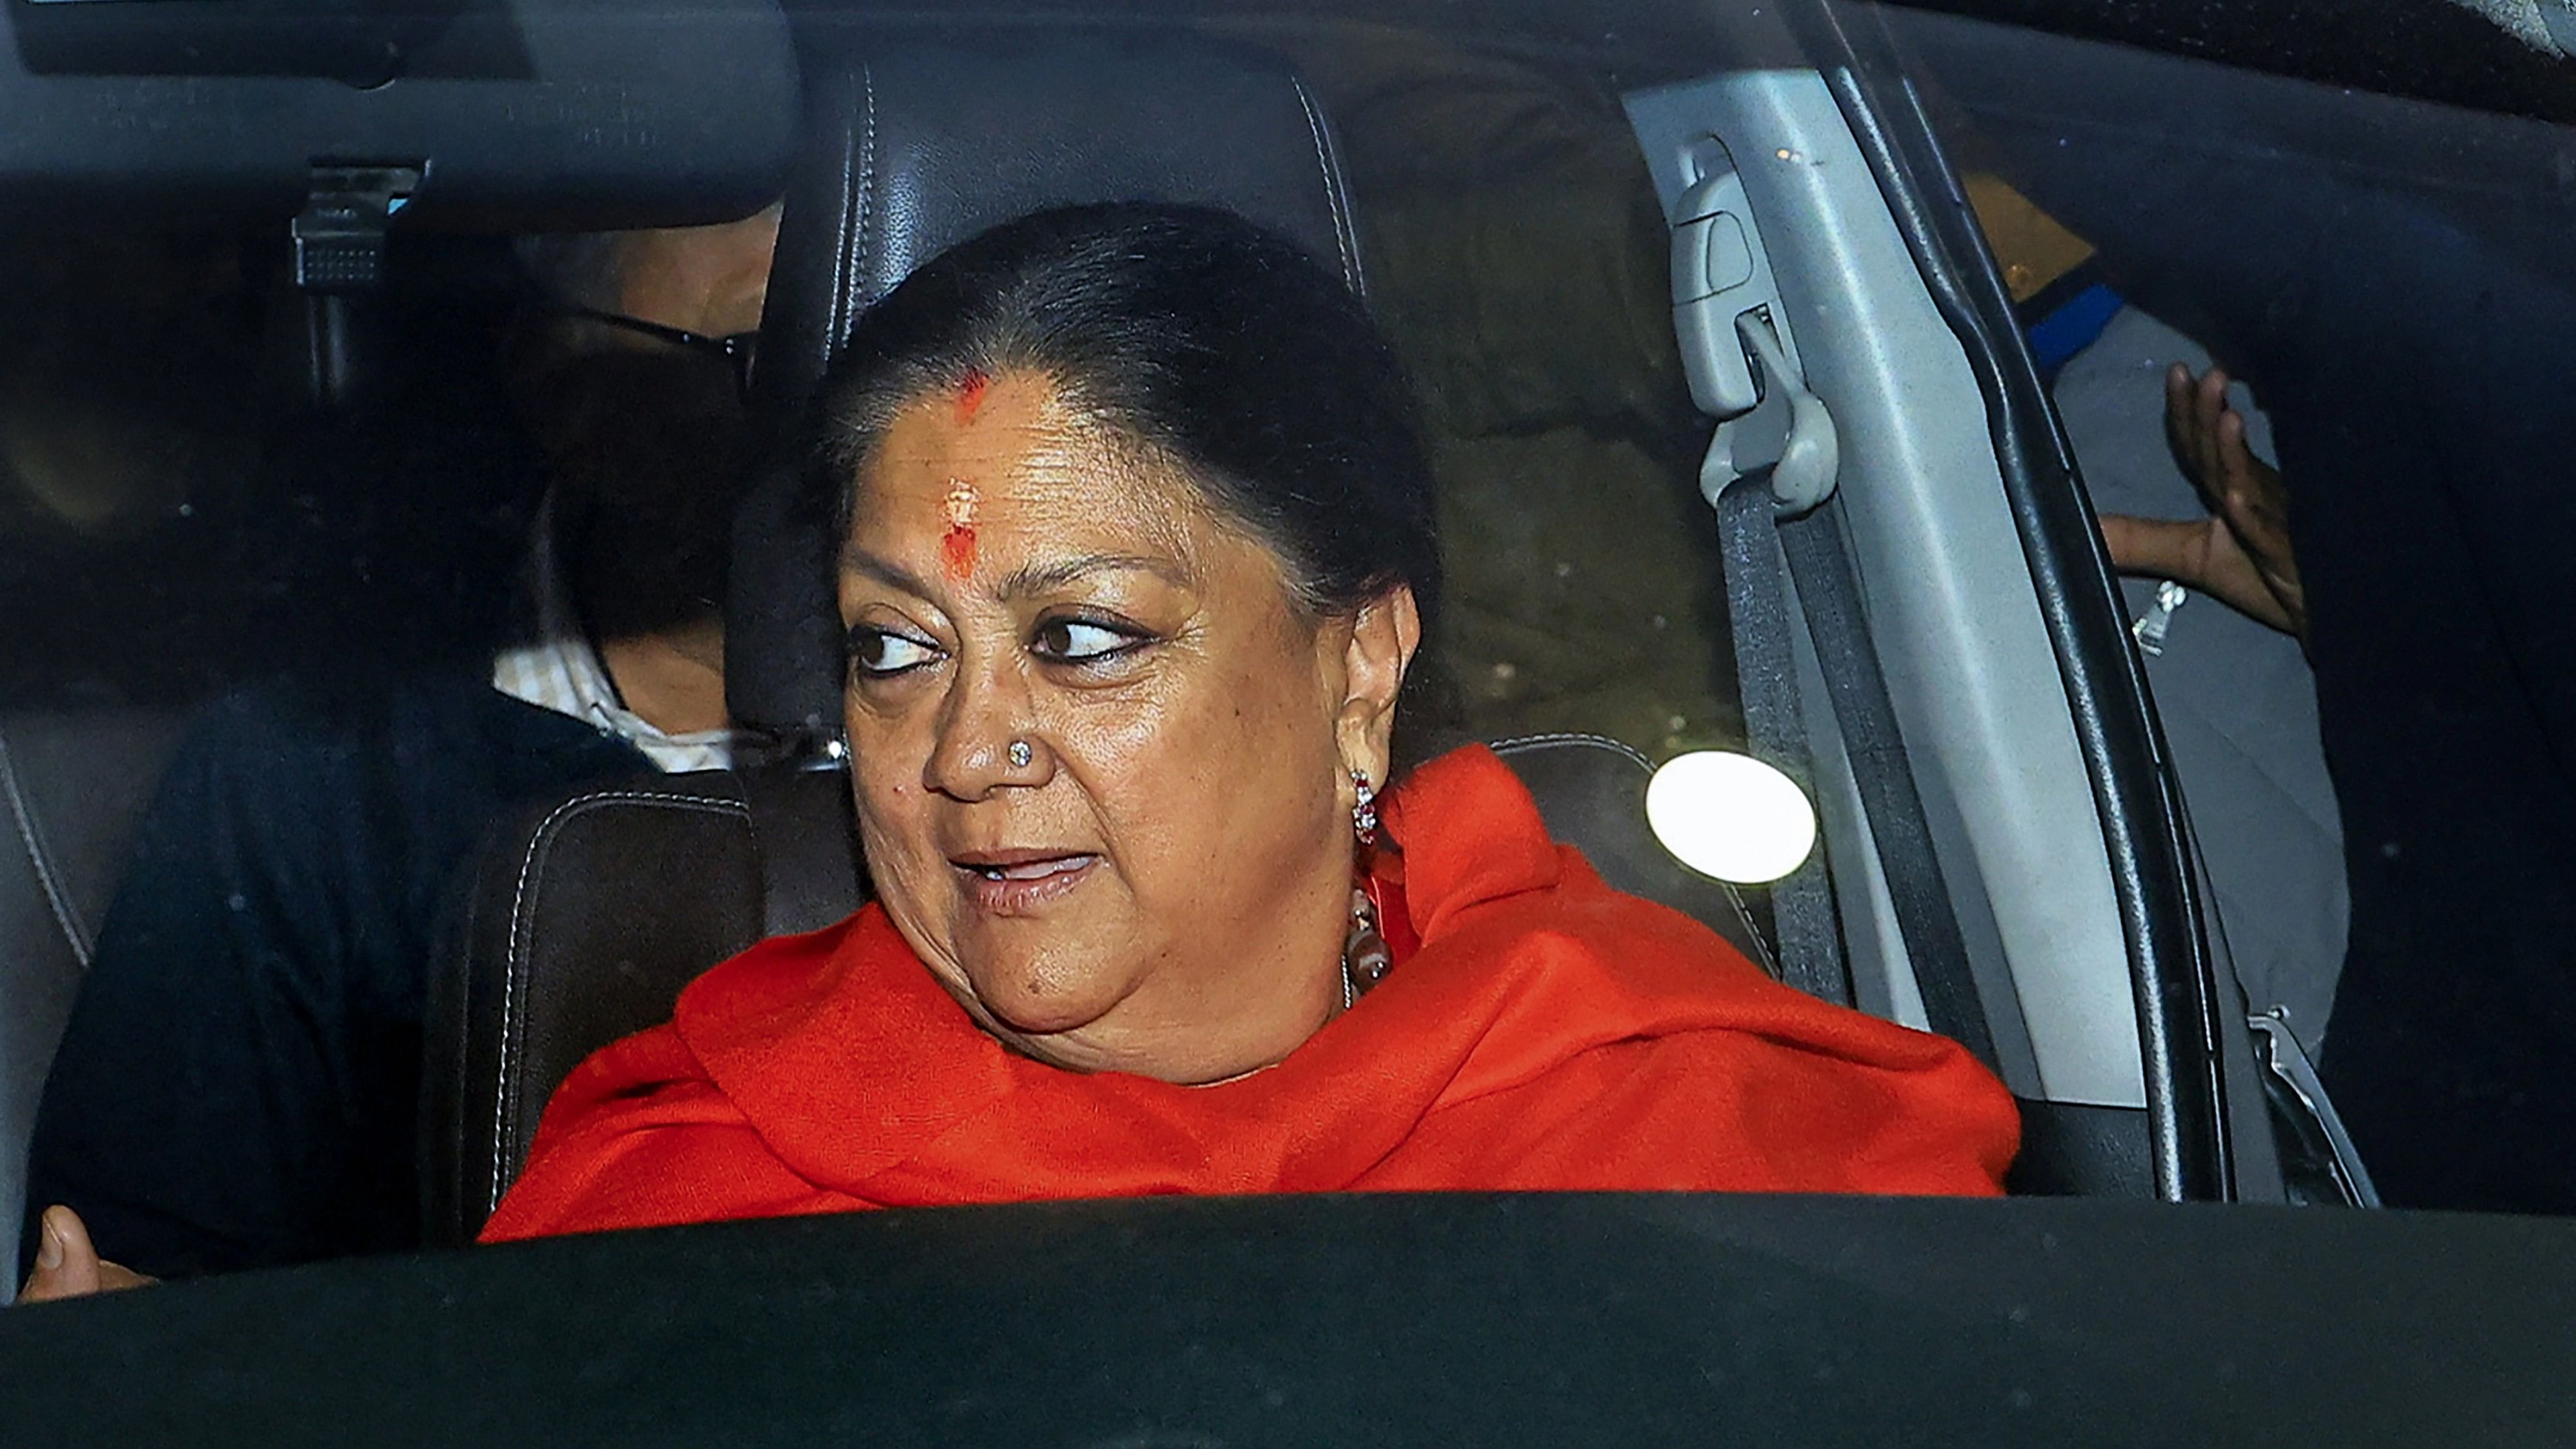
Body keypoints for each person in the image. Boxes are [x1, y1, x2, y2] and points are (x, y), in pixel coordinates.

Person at [445, 203, 2017, 1245]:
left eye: (1082, 639)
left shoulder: (1691, 1138)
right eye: (895, 648)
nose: (961, 746)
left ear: (1359, 673)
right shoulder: (688, 1211)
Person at [18, 206, 778, 1290]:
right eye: (760, 352)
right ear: (560, 380)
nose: (836, 397)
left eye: (864, 331)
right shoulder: (324, 784)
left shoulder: (981, 773)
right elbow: (135, 1326)